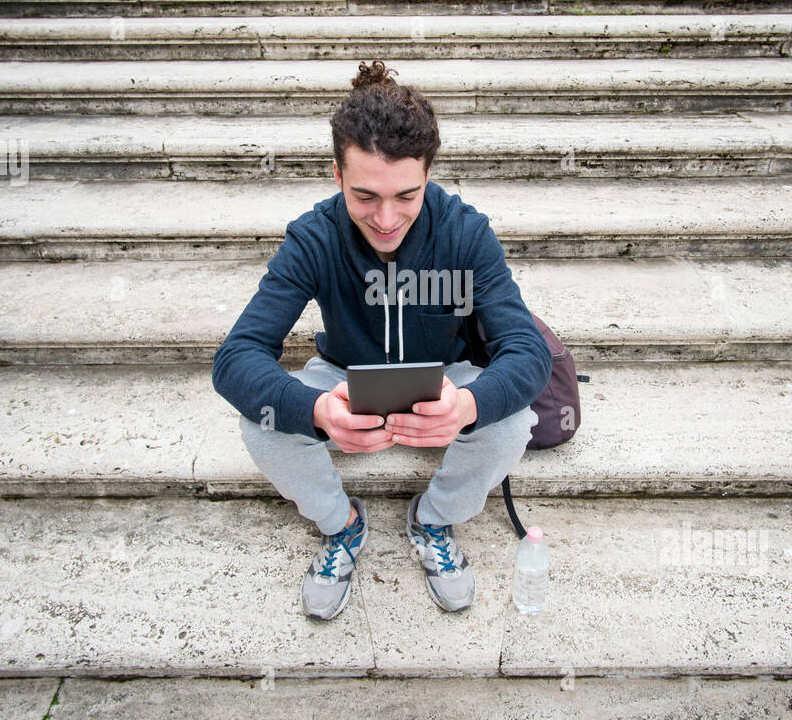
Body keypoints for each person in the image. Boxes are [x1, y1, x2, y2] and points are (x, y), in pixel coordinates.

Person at [211, 59, 552, 620]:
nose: (387, 218)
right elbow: (237, 357)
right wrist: (316, 408)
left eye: (407, 196)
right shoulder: (314, 236)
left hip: (444, 374)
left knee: (512, 420)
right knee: (261, 424)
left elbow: (527, 349)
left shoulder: (466, 232)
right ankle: (343, 525)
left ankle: (433, 519)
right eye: (365, 196)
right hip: (344, 376)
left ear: (429, 175)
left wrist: (469, 403)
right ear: (338, 176)